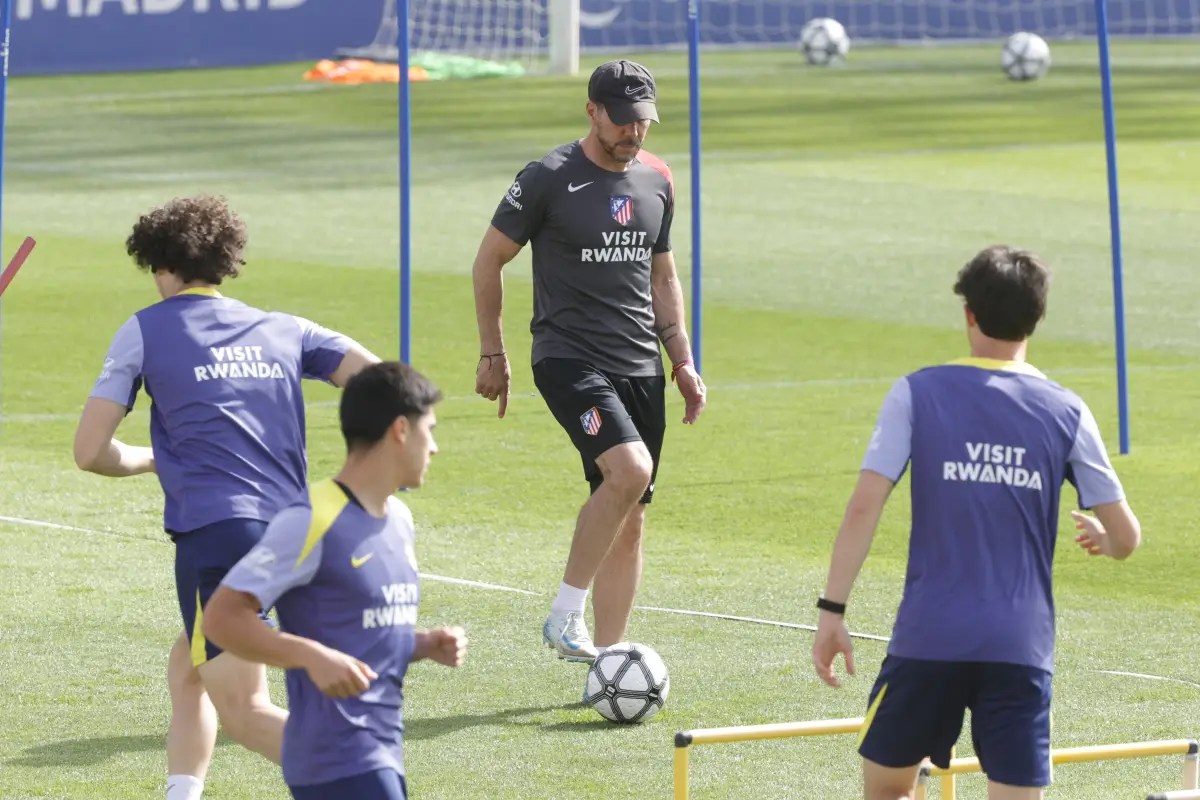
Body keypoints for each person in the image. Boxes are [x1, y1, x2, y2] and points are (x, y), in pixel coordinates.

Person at [73, 195, 380, 800]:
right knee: (190, 669)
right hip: (301, 534)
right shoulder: (285, 327)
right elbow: (383, 380)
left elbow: (89, 452)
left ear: (160, 265)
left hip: (219, 539)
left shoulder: (144, 328)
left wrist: (149, 459)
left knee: (244, 710)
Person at [810, 244, 1142, 800]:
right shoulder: (1068, 410)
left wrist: (833, 611)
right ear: (1037, 317)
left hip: (928, 638)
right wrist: (1108, 543)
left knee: (886, 789)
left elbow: (864, 506)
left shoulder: (916, 392)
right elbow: (1127, 537)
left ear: (968, 313)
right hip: (1019, 646)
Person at [471, 58, 707, 664]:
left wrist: (681, 360)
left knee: (630, 515)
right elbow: (488, 261)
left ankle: (607, 664)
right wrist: (492, 351)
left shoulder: (658, 179)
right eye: (624, 121)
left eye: (645, 121)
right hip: (567, 357)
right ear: (593, 112)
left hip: (641, 366)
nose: (635, 132)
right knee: (628, 471)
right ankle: (563, 615)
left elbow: (663, 275)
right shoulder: (548, 176)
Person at [201, 361, 467, 800]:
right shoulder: (310, 519)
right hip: (336, 760)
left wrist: (419, 645)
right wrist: (310, 656)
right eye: (430, 430)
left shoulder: (398, 520)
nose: (434, 447)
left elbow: (355, 629)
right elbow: (222, 619)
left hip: (379, 751)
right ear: (400, 429)